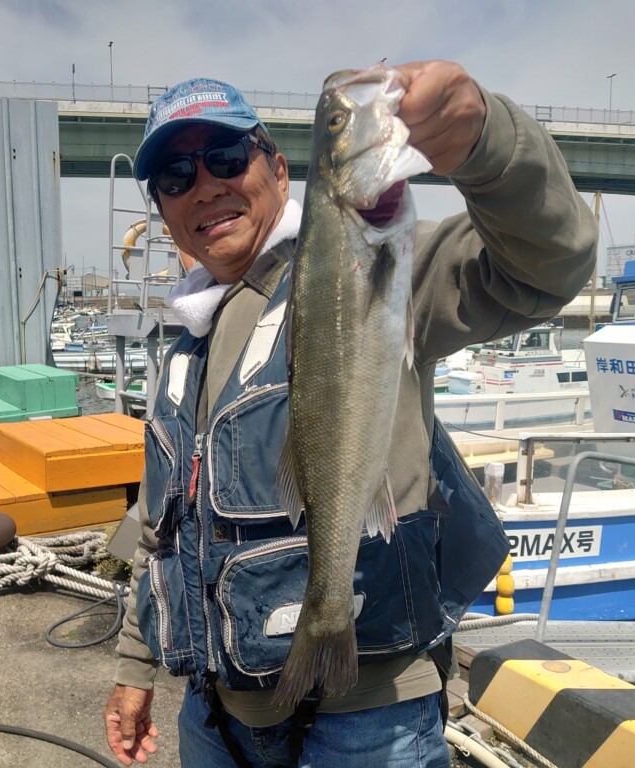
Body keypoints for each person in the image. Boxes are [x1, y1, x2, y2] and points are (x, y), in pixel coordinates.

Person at [104, 61, 598, 767]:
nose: (205, 185)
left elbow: (548, 264)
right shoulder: (185, 349)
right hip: (213, 719)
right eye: (176, 176)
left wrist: (486, 140)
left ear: (280, 170)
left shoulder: (373, 264)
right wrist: (134, 667)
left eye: (226, 156)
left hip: (368, 722)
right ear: (163, 210)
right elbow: (159, 528)